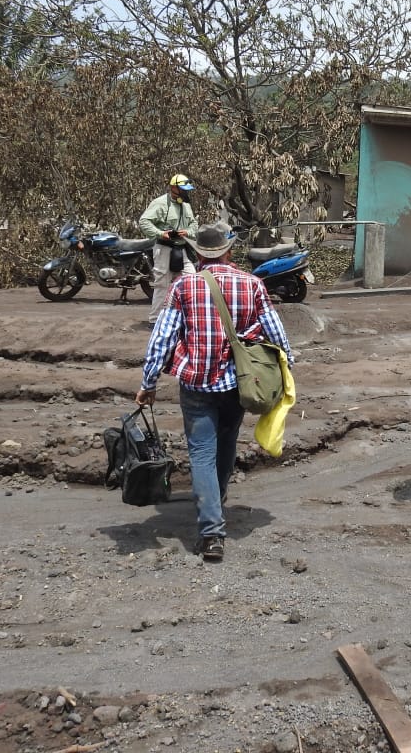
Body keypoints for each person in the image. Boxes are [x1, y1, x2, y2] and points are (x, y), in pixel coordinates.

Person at [136, 224, 293, 561]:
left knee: (202, 453)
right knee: (226, 443)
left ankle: (211, 533)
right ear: (229, 251)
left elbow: (163, 338)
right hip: (240, 383)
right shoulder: (252, 284)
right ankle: (215, 502)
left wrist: (148, 383)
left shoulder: (184, 286)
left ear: (196, 254)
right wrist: (287, 368)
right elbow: (275, 331)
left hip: (196, 384)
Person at [139, 174, 200, 324]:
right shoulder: (160, 203)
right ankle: (155, 320)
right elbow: (144, 221)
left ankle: (188, 318)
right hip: (164, 248)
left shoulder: (185, 205)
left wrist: (188, 232)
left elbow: (194, 224)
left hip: (182, 248)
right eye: (183, 189)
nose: (186, 192)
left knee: (192, 279)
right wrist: (160, 233)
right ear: (174, 188)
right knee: (162, 284)